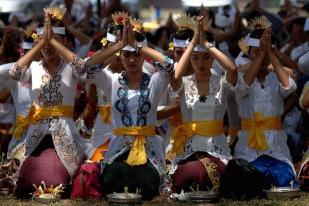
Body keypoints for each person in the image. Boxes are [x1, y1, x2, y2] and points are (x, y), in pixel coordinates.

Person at [84, 18, 174, 200]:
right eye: (127, 55)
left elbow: (169, 65)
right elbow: (88, 66)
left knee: (145, 178)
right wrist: (120, 45)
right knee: (113, 177)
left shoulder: (154, 82)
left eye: (137, 54)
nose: (132, 59)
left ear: (143, 55)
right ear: (120, 56)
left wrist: (138, 46)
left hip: (148, 149)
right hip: (119, 147)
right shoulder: (112, 81)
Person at [9, 8, 88, 196]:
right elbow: (14, 73)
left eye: (54, 40)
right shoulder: (34, 67)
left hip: (65, 135)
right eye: (44, 41)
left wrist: (52, 40)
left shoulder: (71, 67)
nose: (48, 46)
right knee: (25, 174)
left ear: (65, 42)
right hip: (36, 134)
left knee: (56, 178)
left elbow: (84, 68)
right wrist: (40, 43)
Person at [227, 18, 297, 194]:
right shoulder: (241, 78)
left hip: (276, 148)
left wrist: (271, 55)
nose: (261, 56)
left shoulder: (276, 76)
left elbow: (289, 87)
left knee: (284, 178)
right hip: (248, 149)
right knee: (245, 177)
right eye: (256, 52)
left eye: (264, 52)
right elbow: (241, 88)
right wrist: (260, 56)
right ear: (249, 54)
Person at [169, 16, 237, 193]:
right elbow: (175, 76)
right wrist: (192, 43)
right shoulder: (183, 83)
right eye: (195, 58)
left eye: (206, 57)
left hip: (217, 150)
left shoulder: (221, 83)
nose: (201, 63)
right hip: (189, 151)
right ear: (189, 58)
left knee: (213, 172)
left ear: (213, 58)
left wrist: (207, 44)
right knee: (195, 171)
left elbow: (233, 69)